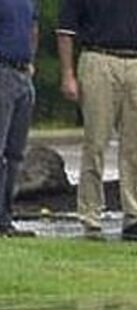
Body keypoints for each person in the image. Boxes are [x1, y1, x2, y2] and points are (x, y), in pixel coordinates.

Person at [56, 0, 137, 241]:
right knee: (96, 143)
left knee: (134, 144)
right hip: (98, 58)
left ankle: (135, 215)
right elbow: (66, 30)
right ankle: (91, 216)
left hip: (136, 61)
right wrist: (68, 74)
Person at [0, 0, 40, 237]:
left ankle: (6, 217)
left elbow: (33, 27)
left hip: (23, 74)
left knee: (15, 153)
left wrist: (31, 61)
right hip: (3, 70)